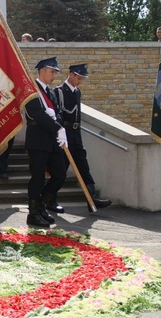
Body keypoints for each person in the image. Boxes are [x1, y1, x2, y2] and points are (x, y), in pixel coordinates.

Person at [54, 64, 111, 211]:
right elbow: (58, 115)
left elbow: (77, 117)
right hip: (64, 135)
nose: (80, 81)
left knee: (83, 167)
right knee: (60, 171)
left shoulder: (77, 92)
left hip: (76, 135)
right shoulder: (59, 92)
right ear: (71, 75)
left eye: (82, 79)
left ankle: (92, 198)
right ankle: (48, 199)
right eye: (79, 78)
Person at [24, 57, 67, 228]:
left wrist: (59, 128)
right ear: (42, 71)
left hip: (52, 138)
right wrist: (57, 127)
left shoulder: (50, 92)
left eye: (56, 72)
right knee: (37, 177)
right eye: (52, 71)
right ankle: (33, 212)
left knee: (60, 174)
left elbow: (57, 113)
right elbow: (37, 114)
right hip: (38, 139)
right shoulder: (32, 90)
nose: (54, 74)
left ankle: (42, 205)